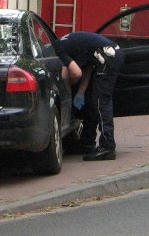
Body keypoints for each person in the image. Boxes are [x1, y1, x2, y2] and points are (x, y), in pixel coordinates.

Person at [53, 31, 124, 161]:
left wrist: (68, 92)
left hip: (108, 57)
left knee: (101, 102)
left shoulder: (58, 48)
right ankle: (87, 143)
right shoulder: (70, 45)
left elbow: (76, 73)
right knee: (92, 99)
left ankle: (107, 147)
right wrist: (81, 92)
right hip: (110, 54)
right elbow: (87, 68)